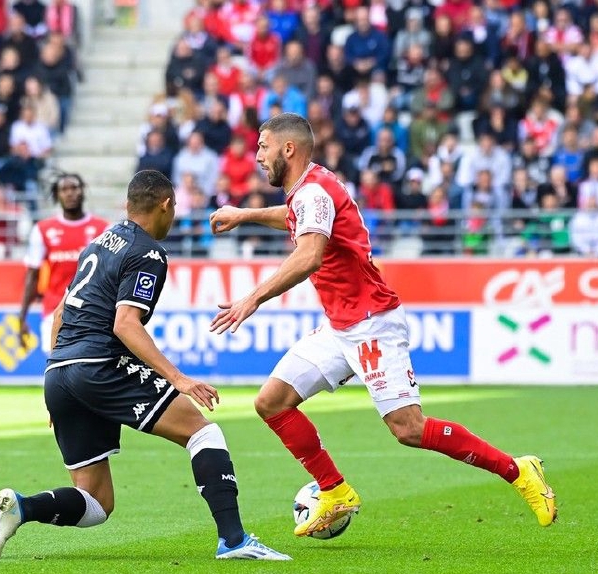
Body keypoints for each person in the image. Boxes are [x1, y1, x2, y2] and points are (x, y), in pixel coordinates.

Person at [208, 113, 557, 537]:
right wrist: (245, 214)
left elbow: (309, 255)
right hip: (341, 326)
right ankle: (334, 491)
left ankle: (518, 471)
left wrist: (252, 298)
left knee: (408, 428)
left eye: (263, 147)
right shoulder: (310, 190)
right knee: (271, 402)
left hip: (372, 324)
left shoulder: (314, 191)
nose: (258, 156)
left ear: (288, 148)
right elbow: (294, 216)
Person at [0, 170, 290, 562]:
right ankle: (234, 540)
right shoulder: (148, 252)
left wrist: (56, 382)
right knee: (202, 432)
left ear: (128, 205)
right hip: (99, 365)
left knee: (97, 502)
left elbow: (59, 313)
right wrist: (178, 379)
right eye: (173, 209)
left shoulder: (97, 244)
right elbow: (125, 324)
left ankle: (22, 508)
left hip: (59, 371)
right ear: (166, 205)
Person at [17, 172, 110, 353]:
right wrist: (22, 318)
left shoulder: (103, 229)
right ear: (57, 195)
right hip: (54, 311)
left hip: (91, 312)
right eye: (64, 189)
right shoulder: (43, 230)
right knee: (55, 365)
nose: (70, 193)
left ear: (82, 191)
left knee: (87, 365)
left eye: (74, 188)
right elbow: (32, 276)